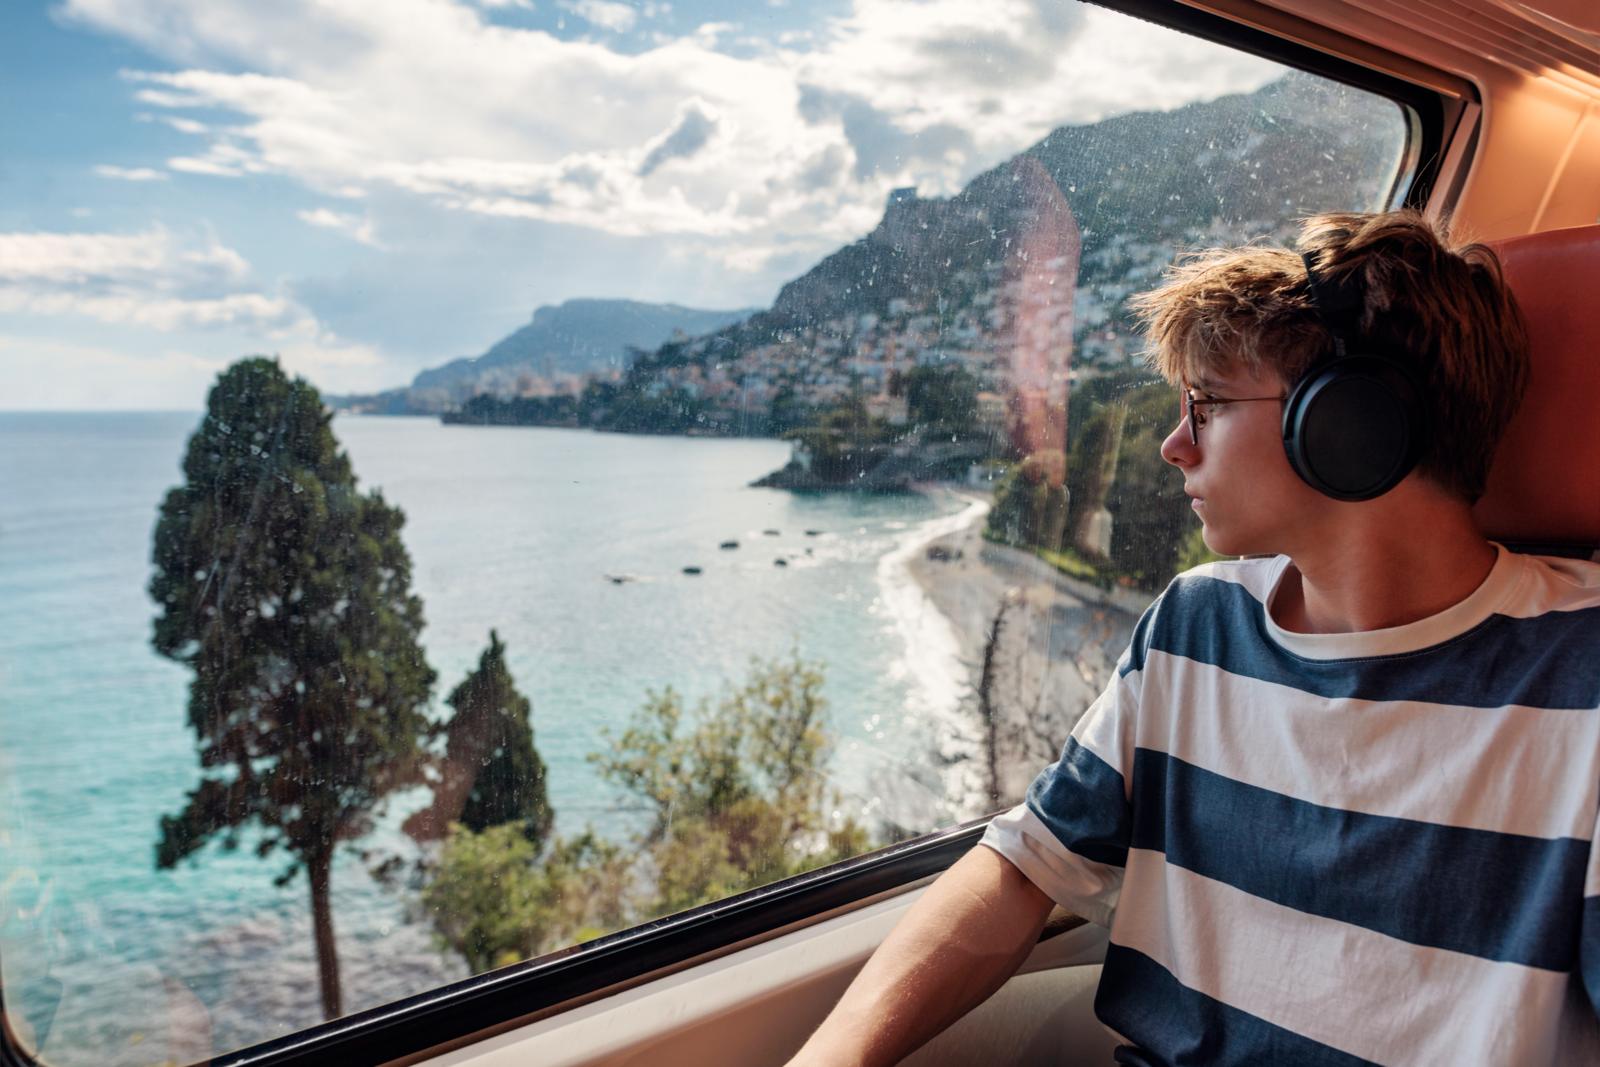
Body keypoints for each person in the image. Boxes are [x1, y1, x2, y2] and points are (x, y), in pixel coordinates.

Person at [786, 210, 1600, 1065]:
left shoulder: (1581, 683)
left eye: (1205, 406)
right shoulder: (1195, 625)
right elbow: (1024, 866)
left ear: (1348, 423)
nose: (1174, 446)